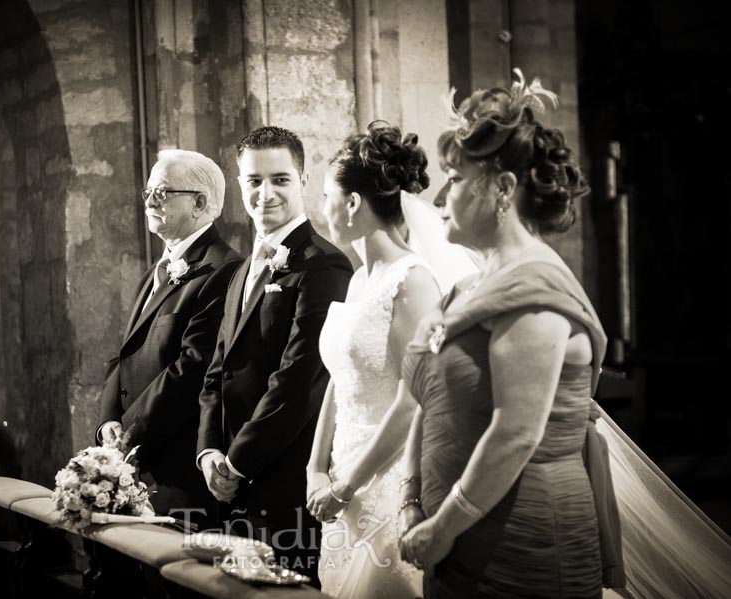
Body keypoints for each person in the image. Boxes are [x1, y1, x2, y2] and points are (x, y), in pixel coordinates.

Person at [397, 70, 614, 598]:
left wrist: (442, 527)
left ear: (503, 188)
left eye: (455, 176)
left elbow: (516, 432)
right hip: (453, 537)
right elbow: (425, 404)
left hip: (521, 545)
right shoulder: (468, 288)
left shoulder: (535, 289)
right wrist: (409, 496)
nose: (442, 194)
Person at [304, 122, 460, 598]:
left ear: (352, 203)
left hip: (386, 479)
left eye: (328, 194)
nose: (322, 206)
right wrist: (316, 466)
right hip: (341, 477)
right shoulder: (359, 280)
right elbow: (340, 378)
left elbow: (413, 400)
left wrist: (348, 484)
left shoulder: (412, 282)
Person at [196, 126, 353, 582]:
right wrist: (208, 450)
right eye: (254, 181)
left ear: (303, 181)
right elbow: (217, 369)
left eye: (280, 179)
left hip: (280, 481)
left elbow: (299, 379)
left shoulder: (324, 264)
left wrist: (238, 462)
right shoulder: (243, 268)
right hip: (225, 480)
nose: (266, 193)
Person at [97, 149, 242, 531]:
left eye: (161, 192)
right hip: (133, 460)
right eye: (147, 192)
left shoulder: (223, 269)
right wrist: (107, 422)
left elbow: (193, 366)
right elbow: (125, 355)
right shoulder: (154, 274)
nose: (149, 201)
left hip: (176, 470)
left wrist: (129, 434)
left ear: (200, 202)